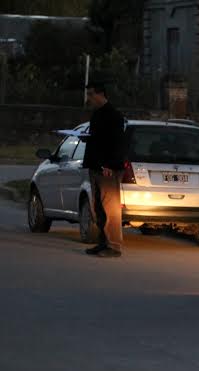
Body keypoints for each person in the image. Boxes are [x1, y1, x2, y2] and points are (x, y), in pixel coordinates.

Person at [82, 82, 126, 258]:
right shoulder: (97, 114)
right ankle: (103, 242)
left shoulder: (114, 115)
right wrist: (87, 138)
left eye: (91, 94)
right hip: (95, 165)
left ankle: (114, 246)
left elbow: (117, 143)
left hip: (108, 169)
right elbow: (98, 138)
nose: (89, 98)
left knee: (110, 208)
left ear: (101, 94)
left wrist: (109, 165)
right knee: (98, 207)